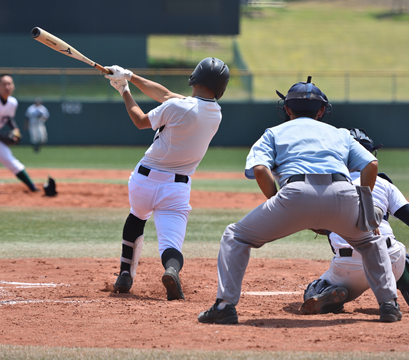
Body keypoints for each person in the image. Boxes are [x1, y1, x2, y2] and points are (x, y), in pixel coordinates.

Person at [197, 76, 402, 324]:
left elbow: (261, 170)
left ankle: (224, 306)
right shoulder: (340, 133)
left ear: (287, 109)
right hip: (342, 194)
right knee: (371, 241)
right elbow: (371, 164)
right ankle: (388, 305)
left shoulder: (273, 132)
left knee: (235, 236)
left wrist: (279, 204)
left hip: (294, 192)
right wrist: (365, 209)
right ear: (322, 110)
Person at [103, 58, 230, 301]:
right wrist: (130, 75)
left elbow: (141, 120)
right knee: (170, 244)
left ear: (195, 78)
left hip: (143, 181)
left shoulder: (176, 107)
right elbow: (167, 95)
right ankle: (171, 270)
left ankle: (124, 273)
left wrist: (125, 90)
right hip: (176, 187)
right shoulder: (216, 113)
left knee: (136, 217)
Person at [300, 128, 409, 315]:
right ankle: (394, 295)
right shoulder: (384, 183)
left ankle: (325, 293)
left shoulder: (323, 184)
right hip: (388, 257)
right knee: (400, 258)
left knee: (313, 288)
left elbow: (311, 221)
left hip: (347, 270)